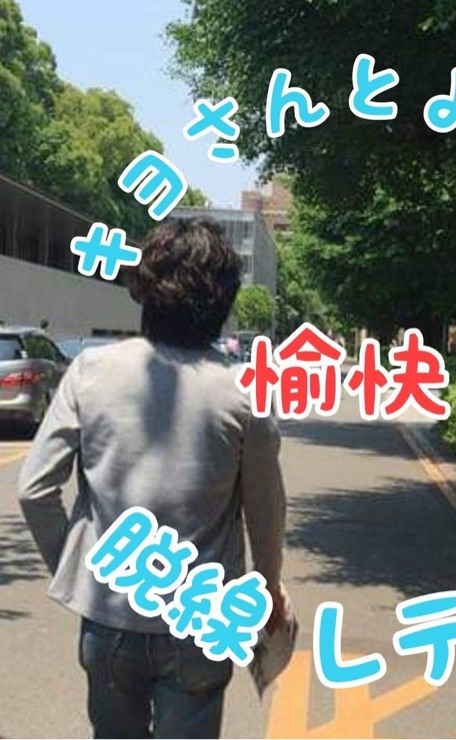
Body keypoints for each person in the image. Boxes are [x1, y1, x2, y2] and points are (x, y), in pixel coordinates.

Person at [17, 217, 287, 739]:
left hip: (110, 613)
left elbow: (34, 490)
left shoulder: (90, 372)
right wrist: (269, 587)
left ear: (144, 291)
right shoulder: (243, 394)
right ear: (223, 301)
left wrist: (76, 569)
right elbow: (264, 509)